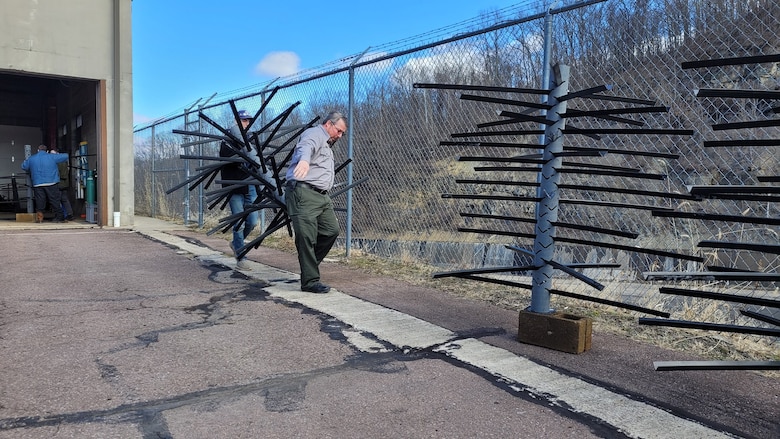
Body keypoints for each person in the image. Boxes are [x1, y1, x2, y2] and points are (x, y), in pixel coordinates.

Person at [285, 111, 347, 294]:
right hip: (304, 192)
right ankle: (310, 281)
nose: (340, 135)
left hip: (321, 197)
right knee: (307, 237)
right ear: (328, 124)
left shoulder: (327, 143)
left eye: (342, 133)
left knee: (331, 231)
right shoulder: (315, 134)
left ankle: (308, 267)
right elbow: (307, 147)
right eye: (339, 131)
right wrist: (304, 162)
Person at [220, 109, 259, 270]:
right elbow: (226, 158)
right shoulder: (227, 139)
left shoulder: (250, 139)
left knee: (252, 221)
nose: (246, 123)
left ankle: (237, 243)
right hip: (235, 185)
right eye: (243, 120)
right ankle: (241, 256)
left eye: (248, 121)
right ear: (236, 121)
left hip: (250, 185)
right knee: (239, 221)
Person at [21, 144, 69, 223]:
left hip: (38, 183)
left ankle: (40, 218)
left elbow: (23, 166)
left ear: (38, 150)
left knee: (40, 201)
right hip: (52, 182)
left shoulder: (32, 158)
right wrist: (55, 154)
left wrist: (27, 160)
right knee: (55, 200)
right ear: (46, 151)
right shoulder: (51, 157)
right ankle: (60, 218)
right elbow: (65, 156)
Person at [52, 146, 74, 221]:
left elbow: (59, 174)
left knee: (57, 200)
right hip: (64, 183)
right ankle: (69, 213)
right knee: (64, 199)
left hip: (59, 183)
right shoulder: (64, 161)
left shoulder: (58, 162)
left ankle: (61, 215)